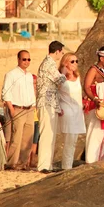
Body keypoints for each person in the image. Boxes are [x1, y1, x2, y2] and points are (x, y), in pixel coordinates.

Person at [2, 50, 36, 170]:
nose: (26, 62)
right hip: (18, 109)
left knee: (27, 139)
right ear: (18, 59)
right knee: (16, 138)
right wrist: (11, 109)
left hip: (30, 109)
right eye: (24, 59)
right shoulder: (11, 74)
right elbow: (5, 93)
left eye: (28, 59)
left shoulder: (29, 75)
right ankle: (11, 163)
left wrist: (33, 105)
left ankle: (22, 163)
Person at [36, 41, 66, 173]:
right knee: (47, 134)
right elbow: (60, 80)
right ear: (57, 51)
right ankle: (43, 165)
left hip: (51, 103)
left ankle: (48, 164)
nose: (62, 54)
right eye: (62, 51)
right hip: (46, 103)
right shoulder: (49, 63)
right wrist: (66, 72)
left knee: (51, 135)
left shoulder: (49, 63)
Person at [58, 53, 86, 170]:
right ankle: (66, 167)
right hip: (67, 110)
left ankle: (68, 165)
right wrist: (58, 107)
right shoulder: (61, 77)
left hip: (78, 111)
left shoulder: (77, 76)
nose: (75, 64)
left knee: (73, 141)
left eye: (76, 61)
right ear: (65, 63)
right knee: (69, 140)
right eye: (72, 61)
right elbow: (55, 91)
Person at [29, 74, 39, 168]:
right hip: (30, 119)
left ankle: (32, 160)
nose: (34, 85)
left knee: (35, 141)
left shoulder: (38, 94)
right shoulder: (27, 93)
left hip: (37, 118)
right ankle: (27, 161)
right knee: (28, 141)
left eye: (35, 83)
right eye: (33, 83)